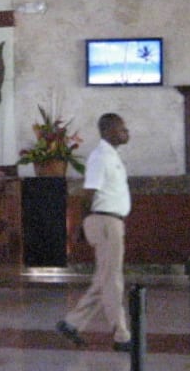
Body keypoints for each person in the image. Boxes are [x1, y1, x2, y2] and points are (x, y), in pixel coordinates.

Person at [56, 112, 133, 352]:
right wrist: (82, 223)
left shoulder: (113, 155)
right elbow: (89, 192)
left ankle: (71, 323)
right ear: (108, 131)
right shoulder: (101, 157)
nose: (126, 132)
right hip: (105, 221)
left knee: (103, 279)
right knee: (112, 281)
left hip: (112, 222)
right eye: (121, 128)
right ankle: (122, 335)